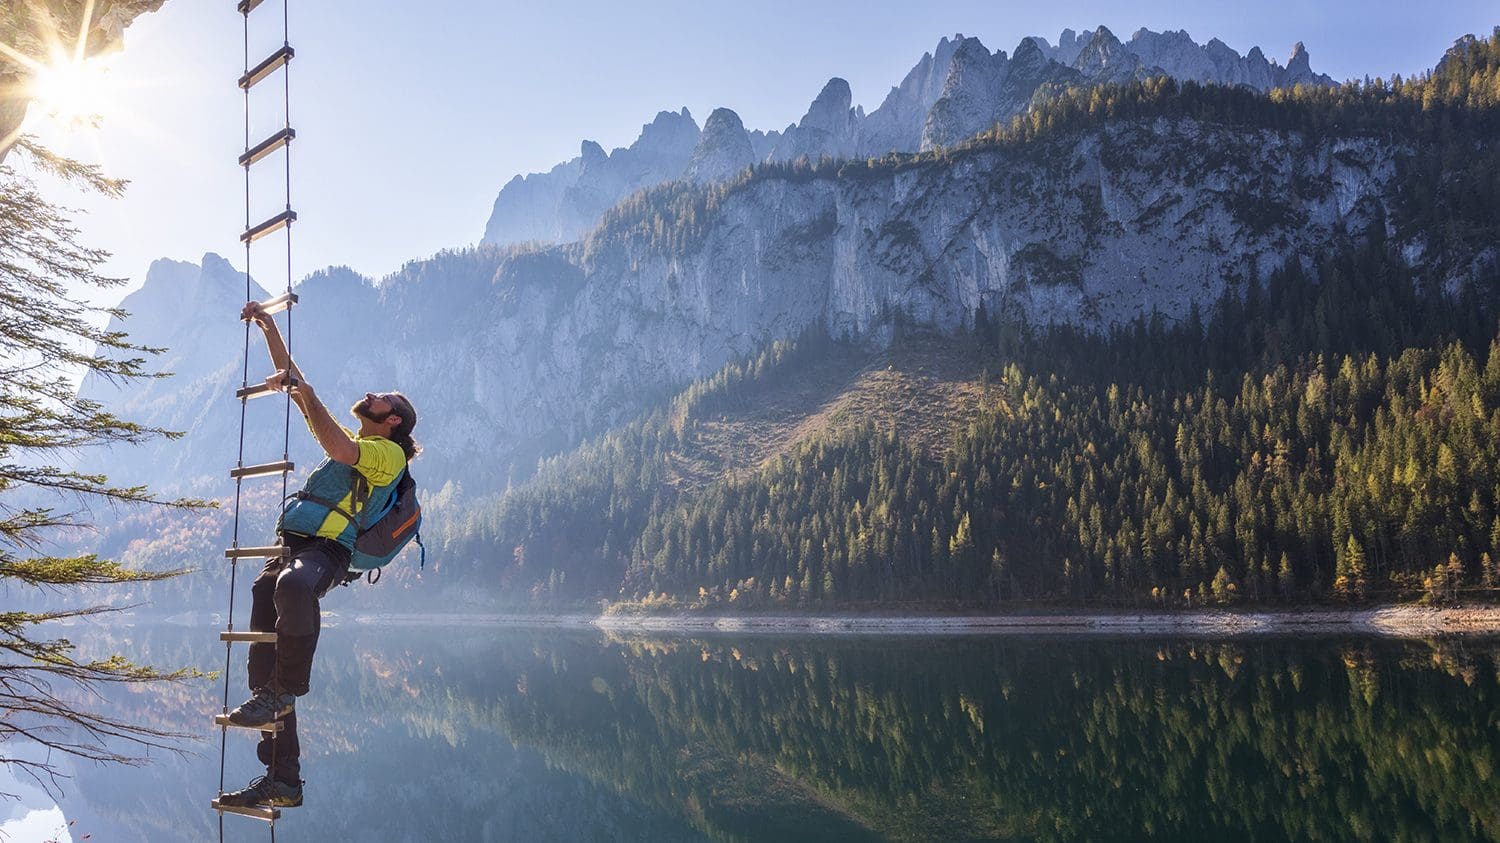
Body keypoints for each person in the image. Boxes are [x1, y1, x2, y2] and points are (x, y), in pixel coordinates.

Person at [219, 300, 419, 809]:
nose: (369, 395)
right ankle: (282, 777)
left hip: (329, 550)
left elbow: (337, 448)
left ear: (391, 419)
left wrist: (305, 394)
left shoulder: (385, 453)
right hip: (292, 545)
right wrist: (268, 327)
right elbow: (294, 378)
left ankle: (289, 687)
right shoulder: (357, 438)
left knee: (293, 588)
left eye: (381, 398)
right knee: (261, 651)